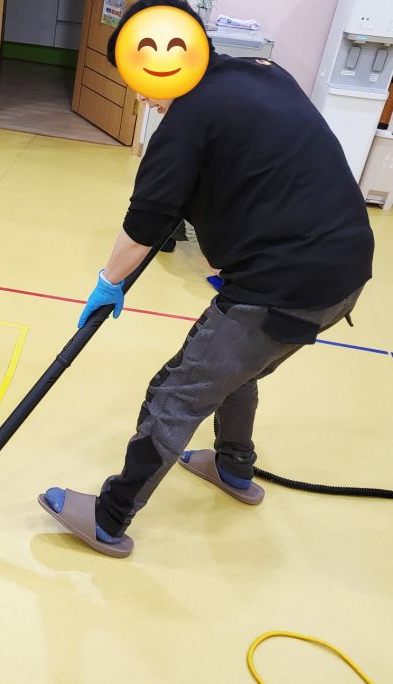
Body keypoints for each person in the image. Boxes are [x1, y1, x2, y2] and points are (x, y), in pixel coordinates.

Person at [39, 0, 374, 558]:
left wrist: (108, 282)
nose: (142, 96)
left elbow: (144, 225)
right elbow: (262, 173)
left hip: (283, 285)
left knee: (175, 393)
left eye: (140, 81)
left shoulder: (185, 124)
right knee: (239, 369)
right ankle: (234, 468)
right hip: (344, 273)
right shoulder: (262, 73)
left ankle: (108, 518)